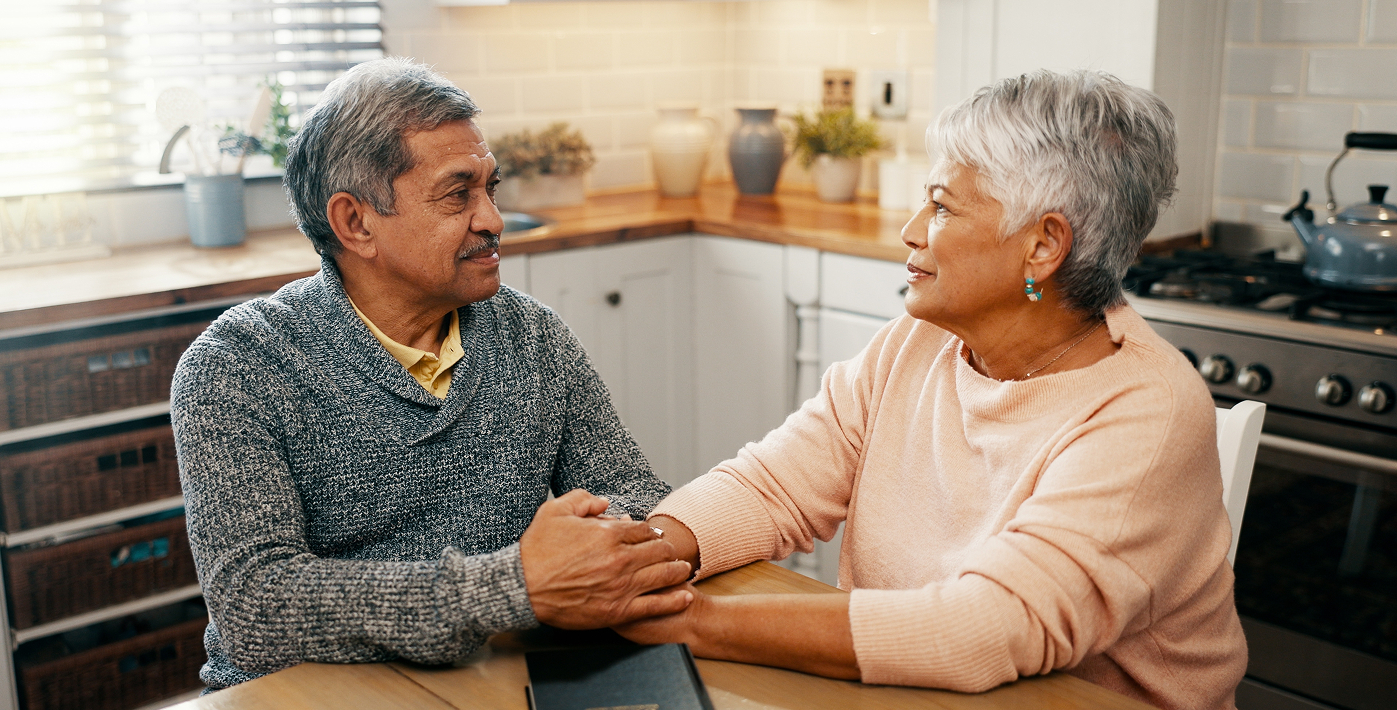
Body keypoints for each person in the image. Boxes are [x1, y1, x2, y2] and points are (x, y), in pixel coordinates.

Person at [619, 70, 1246, 710]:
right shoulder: (916, 345)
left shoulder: (1147, 410)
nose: (912, 230)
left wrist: (692, 623)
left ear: (1043, 245)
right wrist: (640, 558)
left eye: (943, 206)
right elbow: (773, 485)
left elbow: (988, 628)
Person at [170, 57, 692, 691]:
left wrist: (601, 549)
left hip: (494, 677)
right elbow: (257, 606)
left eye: (490, 188)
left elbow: (635, 495)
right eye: (457, 194)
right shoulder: (235, 367)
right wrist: (514, 586)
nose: (493, 220)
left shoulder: (534, 337)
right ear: (355, 222)